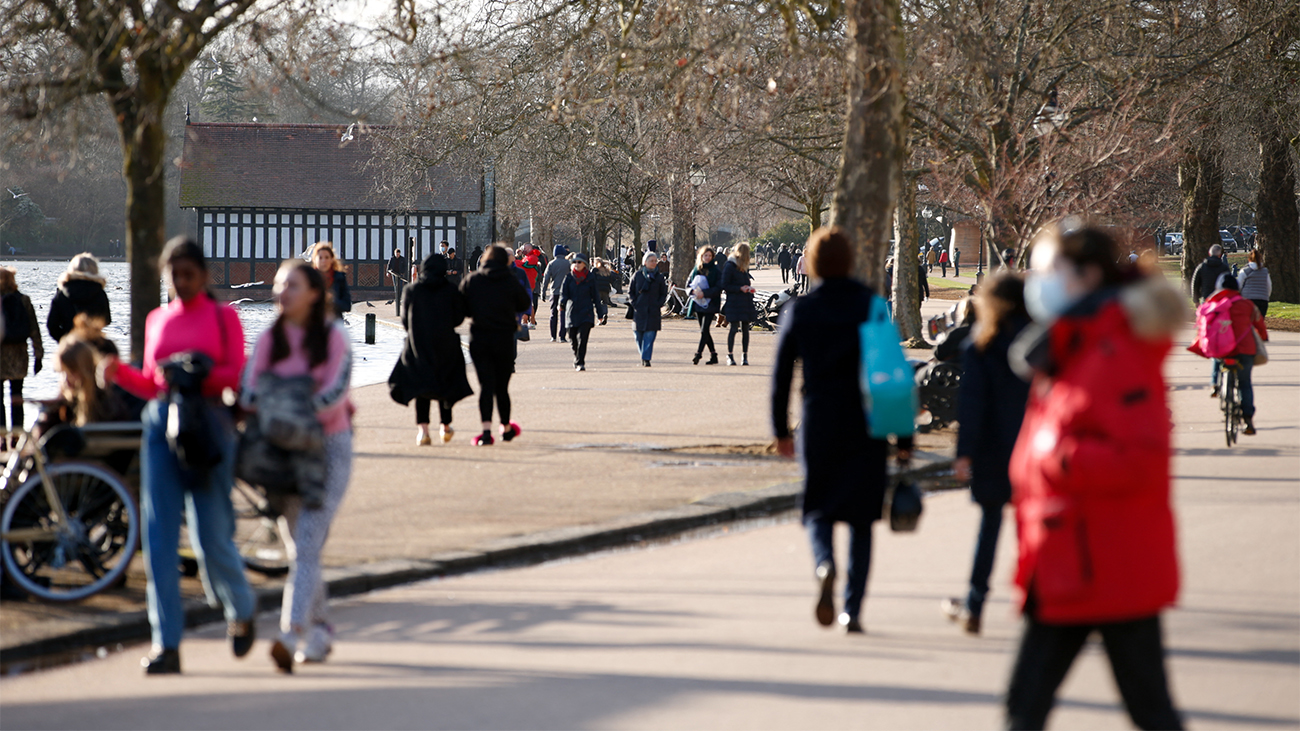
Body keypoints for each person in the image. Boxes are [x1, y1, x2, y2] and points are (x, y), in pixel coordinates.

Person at [1005, 221, 1185, 729]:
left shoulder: (1113, 348)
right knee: (1032, 705)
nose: (1034, 282)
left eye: (1044, 270)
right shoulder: (1076, 344)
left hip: (1105, 558)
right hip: (1071, 554)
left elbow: (1138, 457)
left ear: (1084, 275)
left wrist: (1054, 458)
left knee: (1035, 706)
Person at [107, 238, 256, 675]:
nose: (180, 282)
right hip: (161, 425)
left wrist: (198, 371)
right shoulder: (157, 319)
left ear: (204, 276)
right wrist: (119, 375)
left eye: (188, 274)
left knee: (211, 537)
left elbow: (235, 372)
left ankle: (242, 607)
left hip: (208, 425)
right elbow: (155, 384)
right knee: (158, 539)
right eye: (173, 274)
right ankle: (166, 643)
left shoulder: (223, 316)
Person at [772, 226, 914, 635]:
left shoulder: (800, 310)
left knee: (817, 506)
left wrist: (781, 430)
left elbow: (781, 376)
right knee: (862, 520)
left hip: (818, 419)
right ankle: (853, 609)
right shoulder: (870, 305)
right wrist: (904, 440)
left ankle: (823, 563)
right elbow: (893, 375)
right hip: (867, 423)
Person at [240, 260, 354, 673]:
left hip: (328, 449)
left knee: (307, 542)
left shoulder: (335, 336)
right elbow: (250, 386)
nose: (281, 292)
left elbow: (335, 394)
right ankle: (321, 629)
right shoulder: (271, 336)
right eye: (277, 285)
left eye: (291, 285)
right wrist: (264, 409)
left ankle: (289, 634)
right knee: (300, 547)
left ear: (313, 292)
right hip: (281, 451)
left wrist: (283, 408)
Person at [943, 273, 1032, 635]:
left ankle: (976, 601)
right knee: (1034, 528)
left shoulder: (981, 345)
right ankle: (1038, 600)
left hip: (994, 449)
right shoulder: (1042, 342)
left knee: (990, 526)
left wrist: (964, 453)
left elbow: (972, 406)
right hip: (1034, 447)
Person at [390, 254, 474, 445]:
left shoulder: (412, 290)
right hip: (446, 344)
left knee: (422, 387)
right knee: (446, 384)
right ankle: (445, 427)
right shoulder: (451, 290)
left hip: (418, 343)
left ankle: (423, 431)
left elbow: (405, 320)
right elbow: (459, 318)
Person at [461, 245, 531, 445]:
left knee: (485, 386)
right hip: (504, 338)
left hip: (480, 338)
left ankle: (485, 432)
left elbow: (462, 308)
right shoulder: (510, 280)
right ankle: (506, 428)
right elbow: (523, 302)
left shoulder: (474, 280)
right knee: (502, 387)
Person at [1190, 274, 1268, 434]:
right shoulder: (1247, 305)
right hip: (1245, 349)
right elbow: (1259, 324)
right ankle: (1247, 420)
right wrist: (1263, 337)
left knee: (1218, 358)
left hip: (1223, 348)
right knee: (1245, 383)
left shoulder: (1212, 304)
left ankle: (1215, 384)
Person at [0, 266, 43, 437]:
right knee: (17, 396)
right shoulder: (24, 300)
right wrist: (38, 355)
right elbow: (34, 330)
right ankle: (17, 436)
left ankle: (1, 437)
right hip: (19, 357)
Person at [47, 253, 112, 345]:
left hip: (70, 347)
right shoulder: (99, 293)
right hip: (94, 346)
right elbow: (106, 320)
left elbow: (52, 325)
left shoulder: (62, 294)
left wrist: (64, 340)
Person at [558, 254, 607, 371]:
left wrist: (600, 314)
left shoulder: (590, 277)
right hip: (572, 311)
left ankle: (581, 362)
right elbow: (563, 293)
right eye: (575, 262)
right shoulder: (569, 277)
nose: (577, 264)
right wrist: (562, 304)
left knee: (583, 338)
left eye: (580, 262)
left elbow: (595, 296)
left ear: (585, 264)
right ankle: (576, 356)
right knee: (573, 339)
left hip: (586, 312)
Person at [719, 243, 758, 366]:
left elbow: (744, 281)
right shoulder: (730, 266)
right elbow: (725, 284)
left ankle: (744, 355)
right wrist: (739, 288)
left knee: (745, 329)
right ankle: (730, 355)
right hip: (734, 301)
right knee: (734, 328)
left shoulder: (743, 267)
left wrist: (748, 288)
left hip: (745, 301)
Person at [628, 251, 668, 366]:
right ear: (645, 262)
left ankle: (646, 359)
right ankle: (643, 355)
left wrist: (658, 304)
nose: (654, 263)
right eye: (651, 261)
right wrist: (635, 303)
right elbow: (631, 292)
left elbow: (663, 293)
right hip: (639, 311)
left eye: (655, 261)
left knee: (650, 337)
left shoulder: (659, 277)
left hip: (653, 311)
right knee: (638, 336)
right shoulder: (637, 275)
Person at [686, 246, 722, 365]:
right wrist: (692, 292)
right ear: (701, 256)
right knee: (704, 331)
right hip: (697, 303)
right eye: (705, 255)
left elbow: (718, 287)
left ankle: (698, 354)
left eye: (710, 256)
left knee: (704, 329)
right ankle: (714, 355)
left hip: (711, 302)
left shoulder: (716, 270)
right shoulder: (696, 269)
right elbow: (688, 284)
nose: (707, 258)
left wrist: (704, 293)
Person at [310, 242, 351, 318]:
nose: (323, 261)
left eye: (327, 257)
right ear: (314, 260)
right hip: (314, 323)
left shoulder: (339, 277)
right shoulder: (309, 278)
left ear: (332, 259)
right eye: (320, 258)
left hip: (334, 323)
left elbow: (347, 306)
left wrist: (332, 301)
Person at [540, 245, 572, 343]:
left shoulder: (551, 263)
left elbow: (546, 279)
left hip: (555, 291)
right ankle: (562, 336)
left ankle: (553, 336)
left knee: (553, 314)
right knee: (564, 314)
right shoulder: (568, 264)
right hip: (566, 292)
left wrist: (543, 292)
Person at [1238, 249, 1272, 317]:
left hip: (1247, 299)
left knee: (1248, 321)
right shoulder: (1265, 271)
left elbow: (1239, 285)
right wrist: (1266, 296)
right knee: (1259, 321)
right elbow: (1269, 286)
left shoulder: (1244, 271)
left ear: (1249, 259)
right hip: (1262, 299)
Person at [520, 245, 545, 326]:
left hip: (529, 282)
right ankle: (529, 320)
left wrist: (515, 262)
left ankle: (528, 320)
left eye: (525, 248)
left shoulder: (533, 257)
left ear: (530, 248)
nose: (523, 249)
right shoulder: (527, 256)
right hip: (526, 281)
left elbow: (525, 265)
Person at [387, 247, 408, 316]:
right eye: (396, 254)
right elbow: (389, 266)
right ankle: (397, 297)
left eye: (398, 254)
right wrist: (388, 272)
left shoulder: (402, 259)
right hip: (394, 273)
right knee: (396, 285)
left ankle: (399, 297)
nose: (397, 255)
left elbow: (405, 266)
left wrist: (403, 272)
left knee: (400, 285)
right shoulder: (392, 259)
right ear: (395, 253)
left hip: (400, 274)